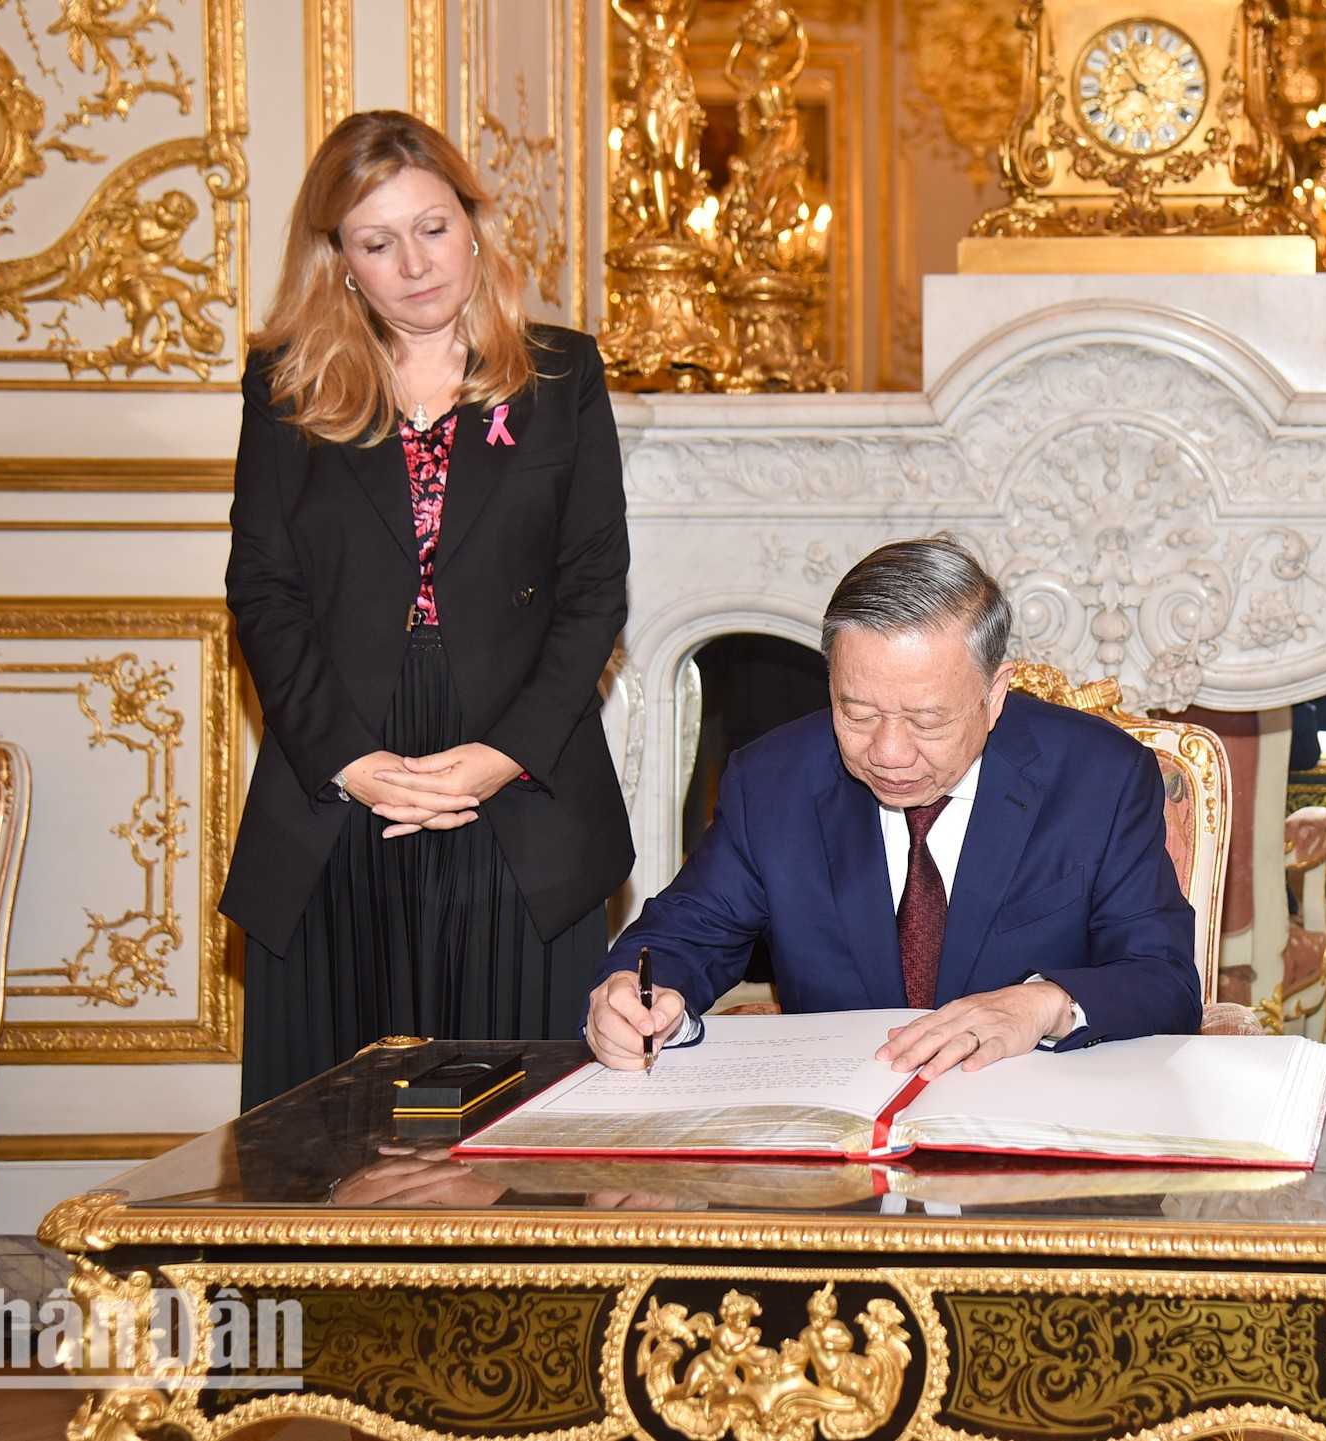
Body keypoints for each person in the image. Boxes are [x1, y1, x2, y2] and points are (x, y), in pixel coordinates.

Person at [223, 110, 632, 1108]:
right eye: (378, 242)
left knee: (524, 1126)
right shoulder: (284, 387)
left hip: (518, 782)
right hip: (338, 779)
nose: (415, 263)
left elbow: (594, 588)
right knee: (322, 1127)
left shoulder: (564, 374)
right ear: (340, 261)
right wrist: (354, 765)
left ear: (473, 224)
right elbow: (263, 590)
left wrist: (504, 756)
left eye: (433, 227)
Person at [584, 537, 1200, 1079]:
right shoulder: (772, 782)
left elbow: (1163, 979)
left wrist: (1046, 1003)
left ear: (993, 695)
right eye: (857, 712)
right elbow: (682, 937)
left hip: (1034, 1143)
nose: (889, 753)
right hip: (842, 1150)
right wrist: (637, 1000)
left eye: (927, 719)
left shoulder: (1100, 777)